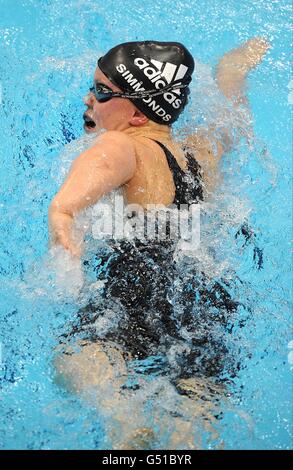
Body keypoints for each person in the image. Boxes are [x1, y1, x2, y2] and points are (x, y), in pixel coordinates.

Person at [51, 39, 269, 449]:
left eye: (101, 91)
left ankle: (126, 424)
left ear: (135, 113)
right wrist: (232, 73)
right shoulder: (202, 152)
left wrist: (62, 224)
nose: (89, 98)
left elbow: (67, 204)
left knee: (75, 360)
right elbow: (233, 124)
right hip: (201, 299)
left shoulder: (121, 144)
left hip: (133, 289)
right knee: (195, 407)